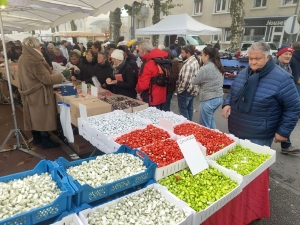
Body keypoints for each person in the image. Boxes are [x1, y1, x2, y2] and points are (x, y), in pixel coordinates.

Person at [222, 41, 300, 148]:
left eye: (257, 59)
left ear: (267, 58)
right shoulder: (243, 73)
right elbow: (233, 91)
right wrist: (227, 103)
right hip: (235, 130)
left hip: (258, 136)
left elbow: (293, 107)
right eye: (251, 58)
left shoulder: (283, 78)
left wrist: (283, 132)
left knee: (252, 164)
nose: (253, 62)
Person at [18, 37, 63, 149]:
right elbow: (47, 79)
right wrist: (62, 75)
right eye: (39, 46)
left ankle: (37, 138)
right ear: (34, 47)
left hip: (30, 92)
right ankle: (45, 140)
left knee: (34, 116)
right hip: (39, 93)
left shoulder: (23, 57)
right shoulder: (34, 60)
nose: (40, 48)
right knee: (43, 116)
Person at [274, 45, 300, 154]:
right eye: (285, 54)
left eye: (290, 54)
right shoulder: (274, 65)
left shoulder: (287, 67)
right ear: (280, 54)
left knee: (285, 119)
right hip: (273, 99)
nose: (288, 56)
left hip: (281, 98)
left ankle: (286, 145)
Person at [192, 47, 224, 129]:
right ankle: (215, 137)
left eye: (202, 55)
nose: (201, 57)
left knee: (204, 126)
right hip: (218, 97)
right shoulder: (218, 65)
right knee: (210, 119)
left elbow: (194, 81)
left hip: (208, 99)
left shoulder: (205, 68)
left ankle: (208, 140)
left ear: (207, 56)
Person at [136, 40, 168, 109]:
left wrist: (137, 89)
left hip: (151, 98)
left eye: (139, 51)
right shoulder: (161, 59)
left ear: (144, 51)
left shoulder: (148, 64)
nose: (138, 53)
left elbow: (143, 85)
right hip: (162, 96)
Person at [177, 45, 201, 120]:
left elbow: (186, 81)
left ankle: (186, 127)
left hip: (186, 91)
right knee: (189, 109)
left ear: (188, 53)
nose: (181, 55)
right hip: (193, 90)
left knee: (184, 111)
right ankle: (190, 125)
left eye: (182, 53)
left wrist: (180, 90)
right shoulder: (195, 61)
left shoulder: (188, 64)